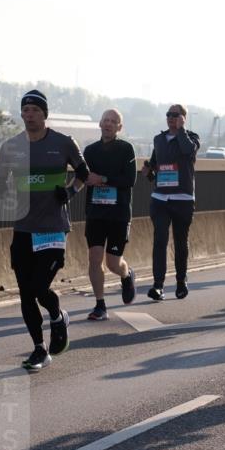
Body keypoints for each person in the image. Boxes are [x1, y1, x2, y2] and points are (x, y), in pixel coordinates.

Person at [0, 90, 88, 370]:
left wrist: (70, 192)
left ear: (44, 113)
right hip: (23, 228)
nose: (29, 114)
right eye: (25, 110)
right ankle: (39, 348)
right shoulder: (11, 147)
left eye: (35, 110)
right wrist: (4, 194)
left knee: (38, 287)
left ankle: (58, 315)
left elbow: (83, 173)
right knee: (25, 292)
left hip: (52, 229)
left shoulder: (63, 143)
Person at [83, 109, 137, 320]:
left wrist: (102, 179)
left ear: (119, 127)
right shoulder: (89, 151)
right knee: (94, 258)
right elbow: (82, 177)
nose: (108, 124)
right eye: (105, 120)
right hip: (96, 213)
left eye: (113, 121)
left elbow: (129, 180)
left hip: (119, 215)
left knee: (114, 263)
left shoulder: (126, 149)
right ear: (100, 123)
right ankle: (100, 305)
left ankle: (127, 274)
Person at [143, 104, 200, 301]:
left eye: (175, 115)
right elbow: (154, 167)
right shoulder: (158, 139)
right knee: (159, 240)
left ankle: (181, 282)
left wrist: (182, 129)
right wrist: (148, 172)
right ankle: (158, 286)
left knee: (180, 242)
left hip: (183, 199)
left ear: (183, 118)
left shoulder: (191, 138)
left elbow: (187, 151)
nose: (171, 118)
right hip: (160, 199)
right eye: (168, 114)